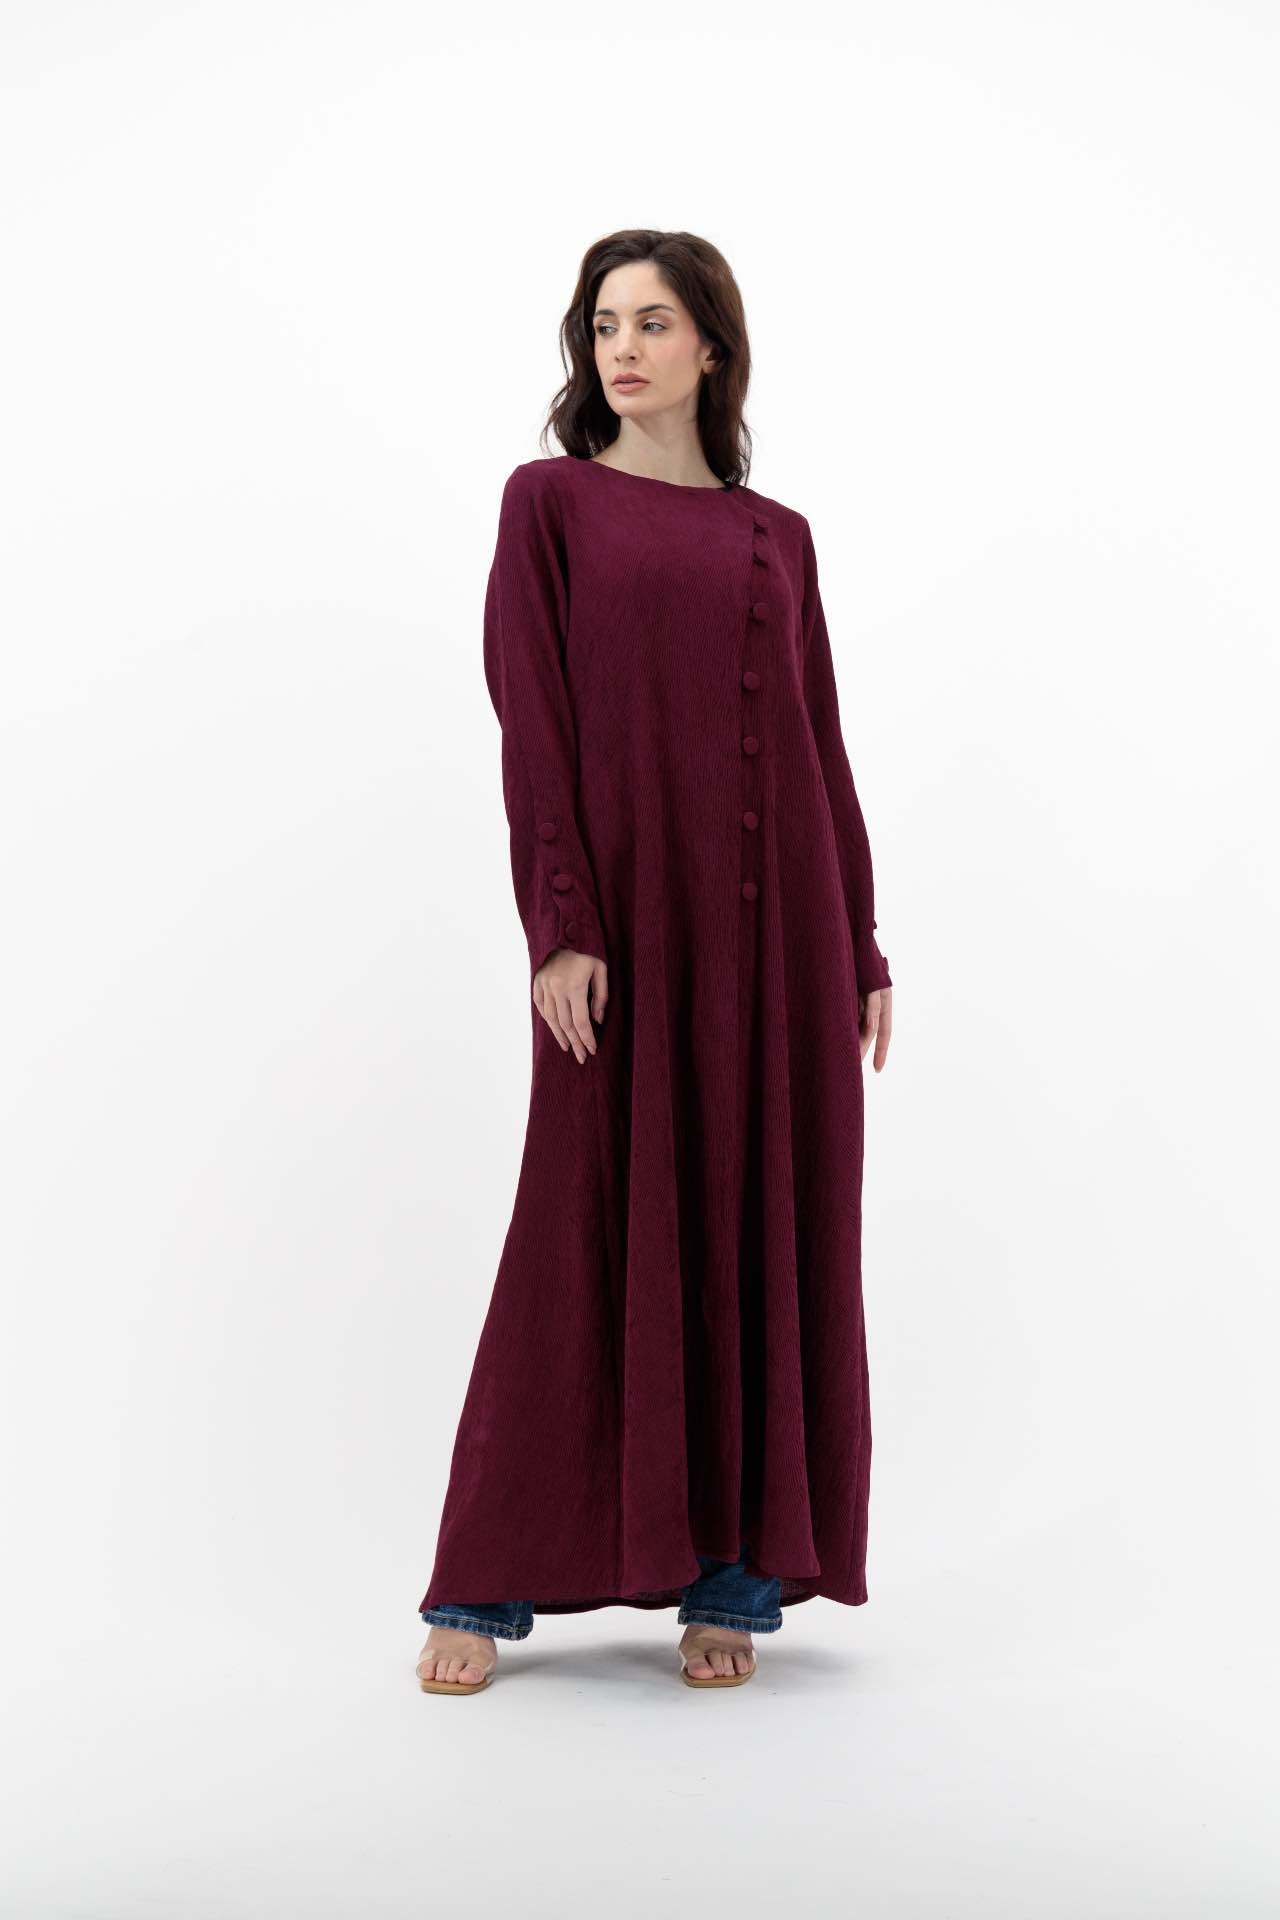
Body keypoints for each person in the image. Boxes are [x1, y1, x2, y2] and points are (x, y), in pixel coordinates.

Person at [415, 229, 894, 1695]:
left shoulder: (778, 536)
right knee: (581, 1219)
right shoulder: (549, 504)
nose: (621, 348)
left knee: (762, 1217)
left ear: (711, 349)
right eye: (604, 324)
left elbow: (819, 742)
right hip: (624, 926)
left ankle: (731, 1578)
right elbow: (532, 717)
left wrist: (861, 940)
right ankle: (487, 1579)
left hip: (779, 935)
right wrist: (561, 922)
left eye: (653, 322)